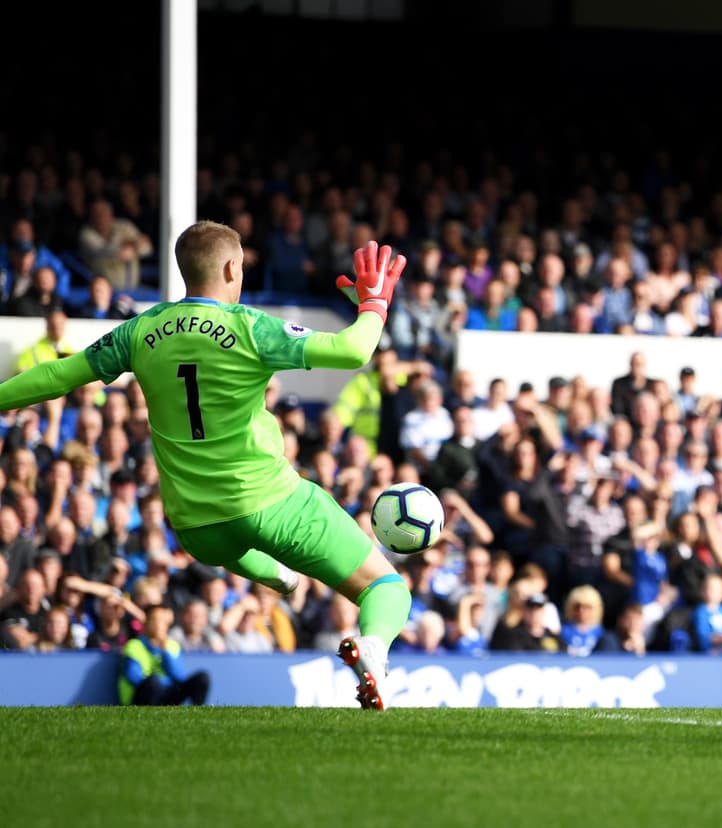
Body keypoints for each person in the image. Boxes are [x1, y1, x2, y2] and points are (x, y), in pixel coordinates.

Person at [0, 222, 413, 710]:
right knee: (387, 588)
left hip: (197, 528)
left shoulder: (141, 330)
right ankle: (373, 650)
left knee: (238, 545)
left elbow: (58, 374)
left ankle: (279, 577)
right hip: (269, 503)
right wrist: (374, 304)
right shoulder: (249, 328)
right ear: (232, 267)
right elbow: (354, 350)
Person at [118, 602, 211, 706]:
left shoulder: (172, 646)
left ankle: (197, 716)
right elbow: (133, 677)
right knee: (153, 682)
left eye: (163, 621)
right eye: (155, 620)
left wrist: (164, 650)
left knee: (202, 678)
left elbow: (179, 677)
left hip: (166, 694)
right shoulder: (134, 645)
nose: (159, 625)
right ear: (146, 622)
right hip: (141, 697)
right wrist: (160, 682)